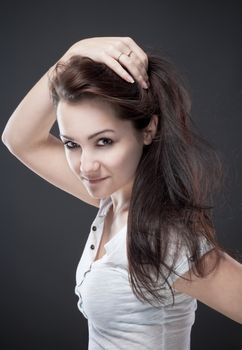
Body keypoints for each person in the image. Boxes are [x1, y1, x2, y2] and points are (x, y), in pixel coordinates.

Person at [2, 37, 242, 350]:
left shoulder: (164, 239)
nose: (85, 166)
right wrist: (73, 54)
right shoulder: (113, 198)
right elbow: (20, 139)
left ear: (148, 130)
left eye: (104, 142)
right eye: (72, 144)